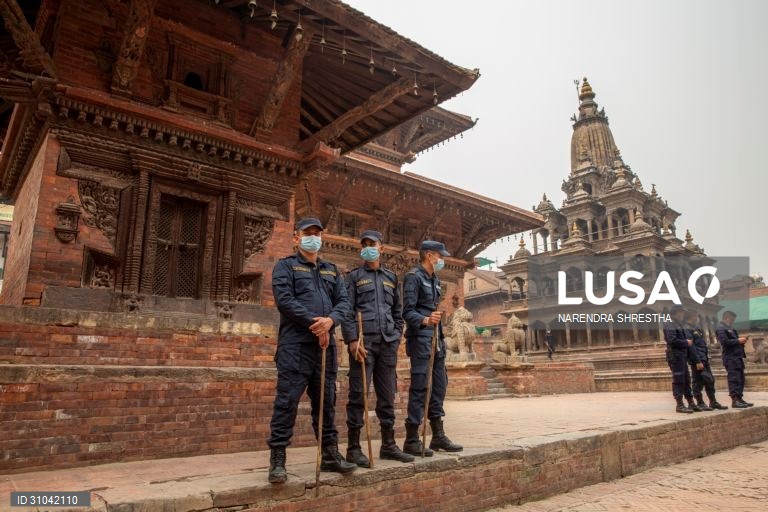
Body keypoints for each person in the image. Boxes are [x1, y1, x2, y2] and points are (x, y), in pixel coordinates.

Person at [267, 217, 356, 484]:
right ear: (296, 237)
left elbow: (344, 302)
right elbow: (285, 300)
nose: (312, 238)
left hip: (326, 347)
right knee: (287, 402)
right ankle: (278, 459)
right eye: (307, 233)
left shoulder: (331, 270)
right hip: (296, 346)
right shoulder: (286, 266)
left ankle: (330, 455)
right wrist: (315, 323)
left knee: (326, 403)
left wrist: (330, 321)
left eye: (317, 234)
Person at [341, 230, 414, 467]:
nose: (368, 247)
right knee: (358, 395)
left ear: (381, 248)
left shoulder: (392, 278)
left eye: (372, 244)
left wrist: (396, 335)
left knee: (387, 396)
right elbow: (347, 311)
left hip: (387, 344)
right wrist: (352, 341)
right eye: (364, 244)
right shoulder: (353, 277)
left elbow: (398, 311)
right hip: (364, 344)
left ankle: (389, 445)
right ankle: (353, 448)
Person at [401, 241, 463, 456]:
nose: (442, 260)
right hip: (421, 338)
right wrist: (426, 319)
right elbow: (406, 312)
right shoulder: (413, 277)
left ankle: (437, 435)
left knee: (439, 385)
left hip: (437, 339)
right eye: (439, 255)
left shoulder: (435, 279)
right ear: (429, 255)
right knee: (420, 386)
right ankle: (411, 438)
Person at [684, 309, 727, 411]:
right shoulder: (687, 329)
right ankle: (700, 402)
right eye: (696, 316)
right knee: (698, 381)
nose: (697, 318)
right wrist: (697, 361)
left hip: (704, 357)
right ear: (692, 316)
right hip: (697, 359)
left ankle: (713, 401)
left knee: (709, 380)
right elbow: (691, 347)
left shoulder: (696, 328)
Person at [663, 305, 699, 413]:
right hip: (675, 356)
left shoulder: (678, 324)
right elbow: (672, 340)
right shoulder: (670, 324)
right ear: (677, 313)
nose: (683, 314)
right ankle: (679, 404)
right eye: (681, 312)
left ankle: (691, 402)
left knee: (686, 379)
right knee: (678, 379)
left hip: (682, 356)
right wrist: (686, 342)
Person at [715, 311, 753, 409]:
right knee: (734, 379)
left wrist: (742, 341)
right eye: (731, 320)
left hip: (737, 357)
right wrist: (738, 340)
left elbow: (734, 342)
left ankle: (740, 398)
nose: (732, 322)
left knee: (740, 379)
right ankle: (735, 400)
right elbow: (724, 342)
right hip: (730, 357)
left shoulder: (731, 329)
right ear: (726, 318)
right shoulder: (721, 328)